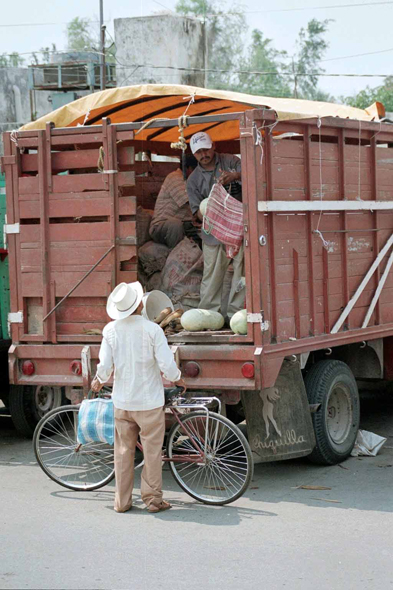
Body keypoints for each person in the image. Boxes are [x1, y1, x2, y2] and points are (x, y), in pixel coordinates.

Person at [91, 281, 186, 514]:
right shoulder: (153, 330)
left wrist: (99, 380)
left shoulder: (110, 331)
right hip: (149, 403)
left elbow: (104, 366)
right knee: (152, 453)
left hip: (122, 402)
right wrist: (179, 378)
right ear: (140, 303)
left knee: (123, 452)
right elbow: (166, 364)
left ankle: (121, 502)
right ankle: (153, 501)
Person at [187, 131, 245, 320]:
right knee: (212, 275)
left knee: (241, 271)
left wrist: (235, 176)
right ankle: (209, 315)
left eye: (206, 149)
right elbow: (197, 211)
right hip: (212, 232)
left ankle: (236, 314)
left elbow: (254, 174)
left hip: (239, 229)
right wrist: (212, 207)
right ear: (194, 154)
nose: (203, 155)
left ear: (213, 146)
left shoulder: (231, 161)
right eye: (198, 153)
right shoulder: (193, 180)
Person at [149, 154, 199, 249]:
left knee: (205, 230)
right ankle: (176, 258)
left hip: (184, 224)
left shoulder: (190, 182)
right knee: (175, 225)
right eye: (196, 170)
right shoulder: (175, 177)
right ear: (188, 169)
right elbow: (189, 201)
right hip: (161, 226)